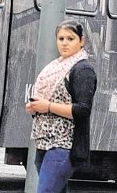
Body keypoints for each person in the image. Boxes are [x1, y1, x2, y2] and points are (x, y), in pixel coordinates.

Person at [25, 20, 98, 193]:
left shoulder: (83, 70)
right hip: (44, 142)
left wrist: (48, 106)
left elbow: (83, 109)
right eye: (61, 38)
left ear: (82, 41)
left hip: (64, 145)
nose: (64, 43)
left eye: (70, 38)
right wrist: (35, 107)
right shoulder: (55, 66)